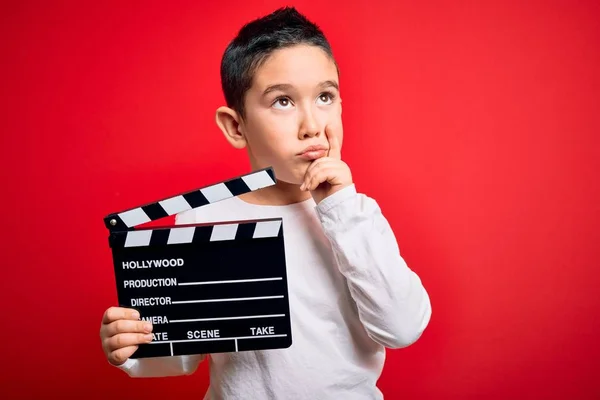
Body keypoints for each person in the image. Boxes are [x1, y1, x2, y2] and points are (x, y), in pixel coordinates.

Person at [99, 6, 432, 399]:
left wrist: (339, 208)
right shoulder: (204, 220)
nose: (311, 126)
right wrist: (131, 345)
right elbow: (183, 351)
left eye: (325, 96)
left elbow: (402, 326)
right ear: (236, 126)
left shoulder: (357, 216)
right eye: (283, 102)